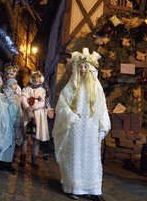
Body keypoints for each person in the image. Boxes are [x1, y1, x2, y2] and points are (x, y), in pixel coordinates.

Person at [52, 47, 111, 201]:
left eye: (85, 67)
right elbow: (62, 104)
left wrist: (102, 126)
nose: (83, 69)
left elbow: (102, 107)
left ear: (90, 68)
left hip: (91, 128)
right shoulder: (72, 86)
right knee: (75, 156)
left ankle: (94, 190)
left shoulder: (96, 88)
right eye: (81, 67)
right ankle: (74, 188)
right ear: (77, 68)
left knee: (92, 157)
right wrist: (70, 115)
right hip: (75, 128)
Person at [20, 71, 51, 168]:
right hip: (27, 114)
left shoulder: (43, 90)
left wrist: (32, 108)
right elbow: (23, 99)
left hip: (38, 115)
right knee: (25, 136)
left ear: (40, 78)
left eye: (38, 77)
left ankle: (34, 157)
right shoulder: (27, 89)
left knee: (36, 137)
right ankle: (23, 156)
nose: (36, 80)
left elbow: (43, 102)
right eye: (34, 78)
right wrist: (28, 109)